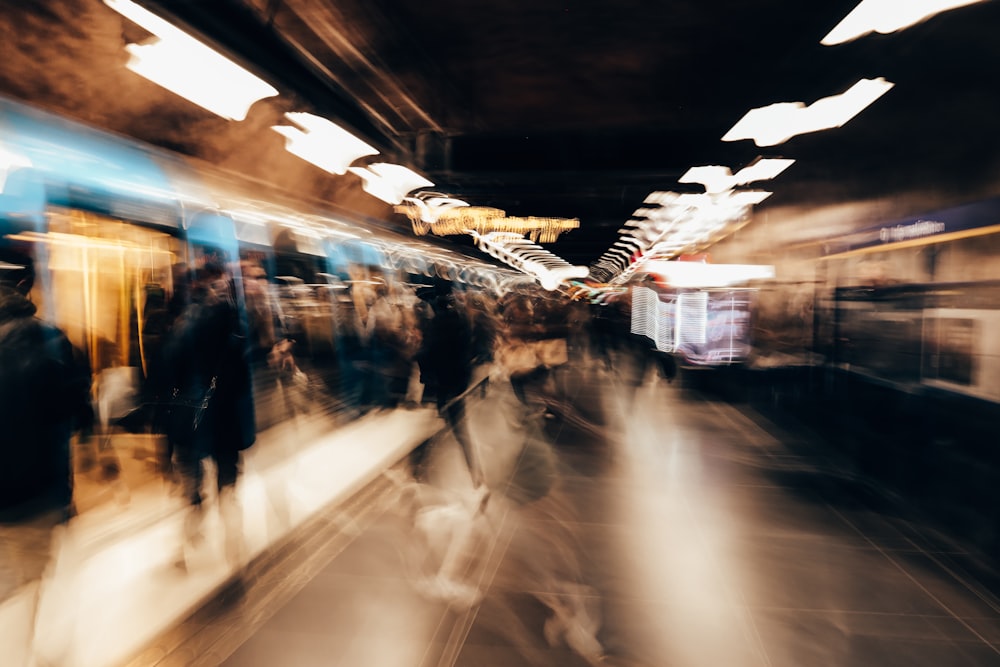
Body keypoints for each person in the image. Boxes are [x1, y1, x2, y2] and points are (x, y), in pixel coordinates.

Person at [0, 248, 92, 663]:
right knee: (28, 582)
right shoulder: (53, 341)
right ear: (27, 286)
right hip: (35, 491)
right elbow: (77, 413)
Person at [162, 258, 256, 568]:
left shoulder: (181, 325)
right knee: (227, 483)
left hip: (189, 418)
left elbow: (168, 380)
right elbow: (243, 379)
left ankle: (182, 547)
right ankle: (234, 542)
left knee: (191, 486)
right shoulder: (234, 326)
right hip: (226, 418)